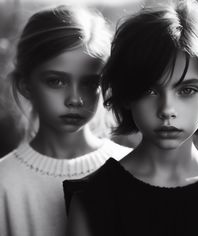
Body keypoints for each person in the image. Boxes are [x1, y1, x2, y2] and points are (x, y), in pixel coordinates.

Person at [63, 0, 198, 235]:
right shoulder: (94, 198)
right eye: (149, 90)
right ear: (124, 93)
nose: (167, 109)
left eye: (186, 90)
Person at [0, 5, 131, 236]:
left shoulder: (131, 169)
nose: (75, 99)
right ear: (25, 85)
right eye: (56, 81)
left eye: (90, 84)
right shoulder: (4, 183)